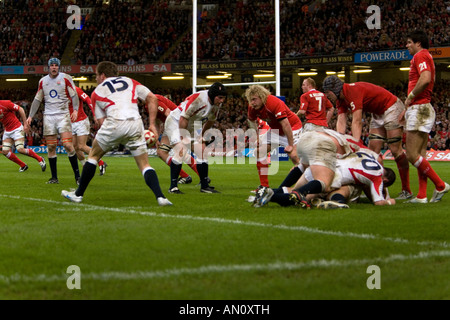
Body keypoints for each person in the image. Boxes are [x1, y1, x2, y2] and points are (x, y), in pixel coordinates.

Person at [61, 61, 172, 206]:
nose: (95, 79)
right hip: (135, 123)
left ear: (102, 75)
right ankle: (161, 197)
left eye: (96, 76)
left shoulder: (97, 92)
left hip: (114, 123)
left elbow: (101, 122)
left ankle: (78, 194)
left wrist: (115, 138)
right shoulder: (130, 81)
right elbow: (152, 98)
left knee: (93, 155)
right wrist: (151, 124)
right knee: (144, 164)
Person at [322, 75, 412, 200]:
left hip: (392, 107)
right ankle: (376, 189)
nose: (327, 96)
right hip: (377, 113)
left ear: (334, 90)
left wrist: (355, 144)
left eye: (327, 93)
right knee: (372, 153)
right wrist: (340, 140)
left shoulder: (352, 91)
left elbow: (357, 120)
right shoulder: (340, 99)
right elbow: (341, 120)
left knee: (396, 150)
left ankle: (406, 189)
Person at [399, 30, 450, 203]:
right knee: (421, 155)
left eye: (409, 42)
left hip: (419, 107)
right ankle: (421, 195)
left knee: (412, 155)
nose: (407, 45)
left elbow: (426, 77)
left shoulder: (420, 56)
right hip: (423, 108)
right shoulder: (426, 56)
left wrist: (411, 96)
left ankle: (440, 185)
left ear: (418, 43)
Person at [162, 82, 227, 194]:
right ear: (212, 95)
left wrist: (202, 134)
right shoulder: (199, 99)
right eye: (220, 98)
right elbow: (183, 118)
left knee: (202, 151)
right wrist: (183, 137)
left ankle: (204, 186)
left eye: (223, 98)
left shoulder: (216, 104)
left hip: (193, 123)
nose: (222, 101)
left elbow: (211, 120)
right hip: (176, 121)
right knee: (181, 151)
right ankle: (173, 187)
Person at [26, 57, 80, 184]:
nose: (54, 67)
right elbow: (38, 99)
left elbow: (74, 95)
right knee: (51, 147)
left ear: (59, 67)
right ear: (48, 67)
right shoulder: (43, 81)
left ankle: (78, 176)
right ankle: (54, 178)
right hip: (49, 116)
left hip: (63, 115)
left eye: (56, 65)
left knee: (67, 145)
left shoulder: (66, 78)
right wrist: (30, 116)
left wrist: (76, 110)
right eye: (52, 65)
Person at [245, 85, 302, 194]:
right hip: (276, 130)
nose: (252, 103)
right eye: (250, 100)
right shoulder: (252, 107)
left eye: (254, 99)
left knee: (295, 156)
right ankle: (264, 186)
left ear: (262, 97)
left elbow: (285, 124)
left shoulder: (273, 102)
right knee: (258, 152)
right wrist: (257, 137)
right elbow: (252, 122)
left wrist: (290, 144)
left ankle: (306, 185)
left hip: (292, 127)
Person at [154, 94, 200, 185]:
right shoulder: (152, 101)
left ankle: (187, 177)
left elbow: (168, 113)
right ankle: (195, 176)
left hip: (176, 122)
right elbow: (158, 121)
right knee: (173, 152)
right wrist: (157, 137)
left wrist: (169, 130)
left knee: (165, 152)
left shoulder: (153, 101)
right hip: (176, 121)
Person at [70, 86, 107, 175]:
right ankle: (84, 166)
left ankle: (101, 162)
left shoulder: (75, 89)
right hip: (70, 122)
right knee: (75, 147)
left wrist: (95, 115)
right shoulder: (61, 92)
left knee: (81, 146)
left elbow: (88, 100)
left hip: (81, 121)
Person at [1, 100, 46, 172]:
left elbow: (20, 109)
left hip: (17, 128)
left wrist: (25, 124)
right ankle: (23, 165)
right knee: (5, 151)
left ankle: (40, 159)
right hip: (7, 131)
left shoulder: (5, 103)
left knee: (20, 149)